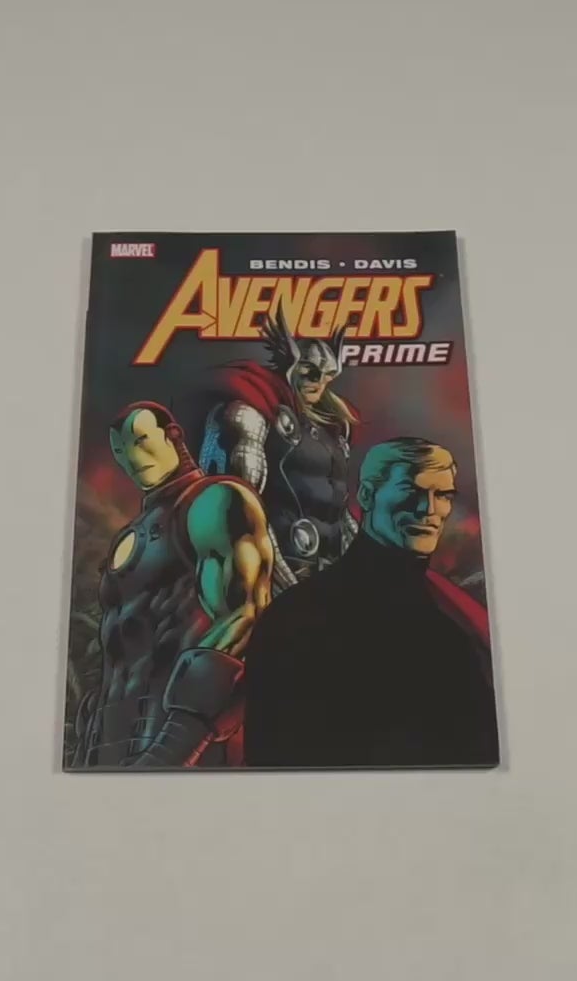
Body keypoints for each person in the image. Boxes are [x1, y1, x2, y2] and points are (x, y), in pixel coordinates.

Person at [239, 437, 498, 768]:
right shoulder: (299, 616)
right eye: (411, 491)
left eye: (443, 495)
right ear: (367, 495)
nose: (428, 510)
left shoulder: (452, 617)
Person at [69, 402, 274, 768]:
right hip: (108, 750)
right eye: (121, 451)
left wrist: (173, 749)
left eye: (140, 440)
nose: (133, 458)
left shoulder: (214, 501)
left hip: (180, 748)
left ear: (173, 436)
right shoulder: (132, 535)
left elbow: (245, 615)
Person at [192, 310, 360, 591]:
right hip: (273, 575)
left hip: (328, 576)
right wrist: (285, 585)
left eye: (328, 374)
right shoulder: (251, 412)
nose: (319, 381)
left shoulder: (333, 428)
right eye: (309, 371)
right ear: (290, 364)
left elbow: (339, 513)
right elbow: (244, 513)